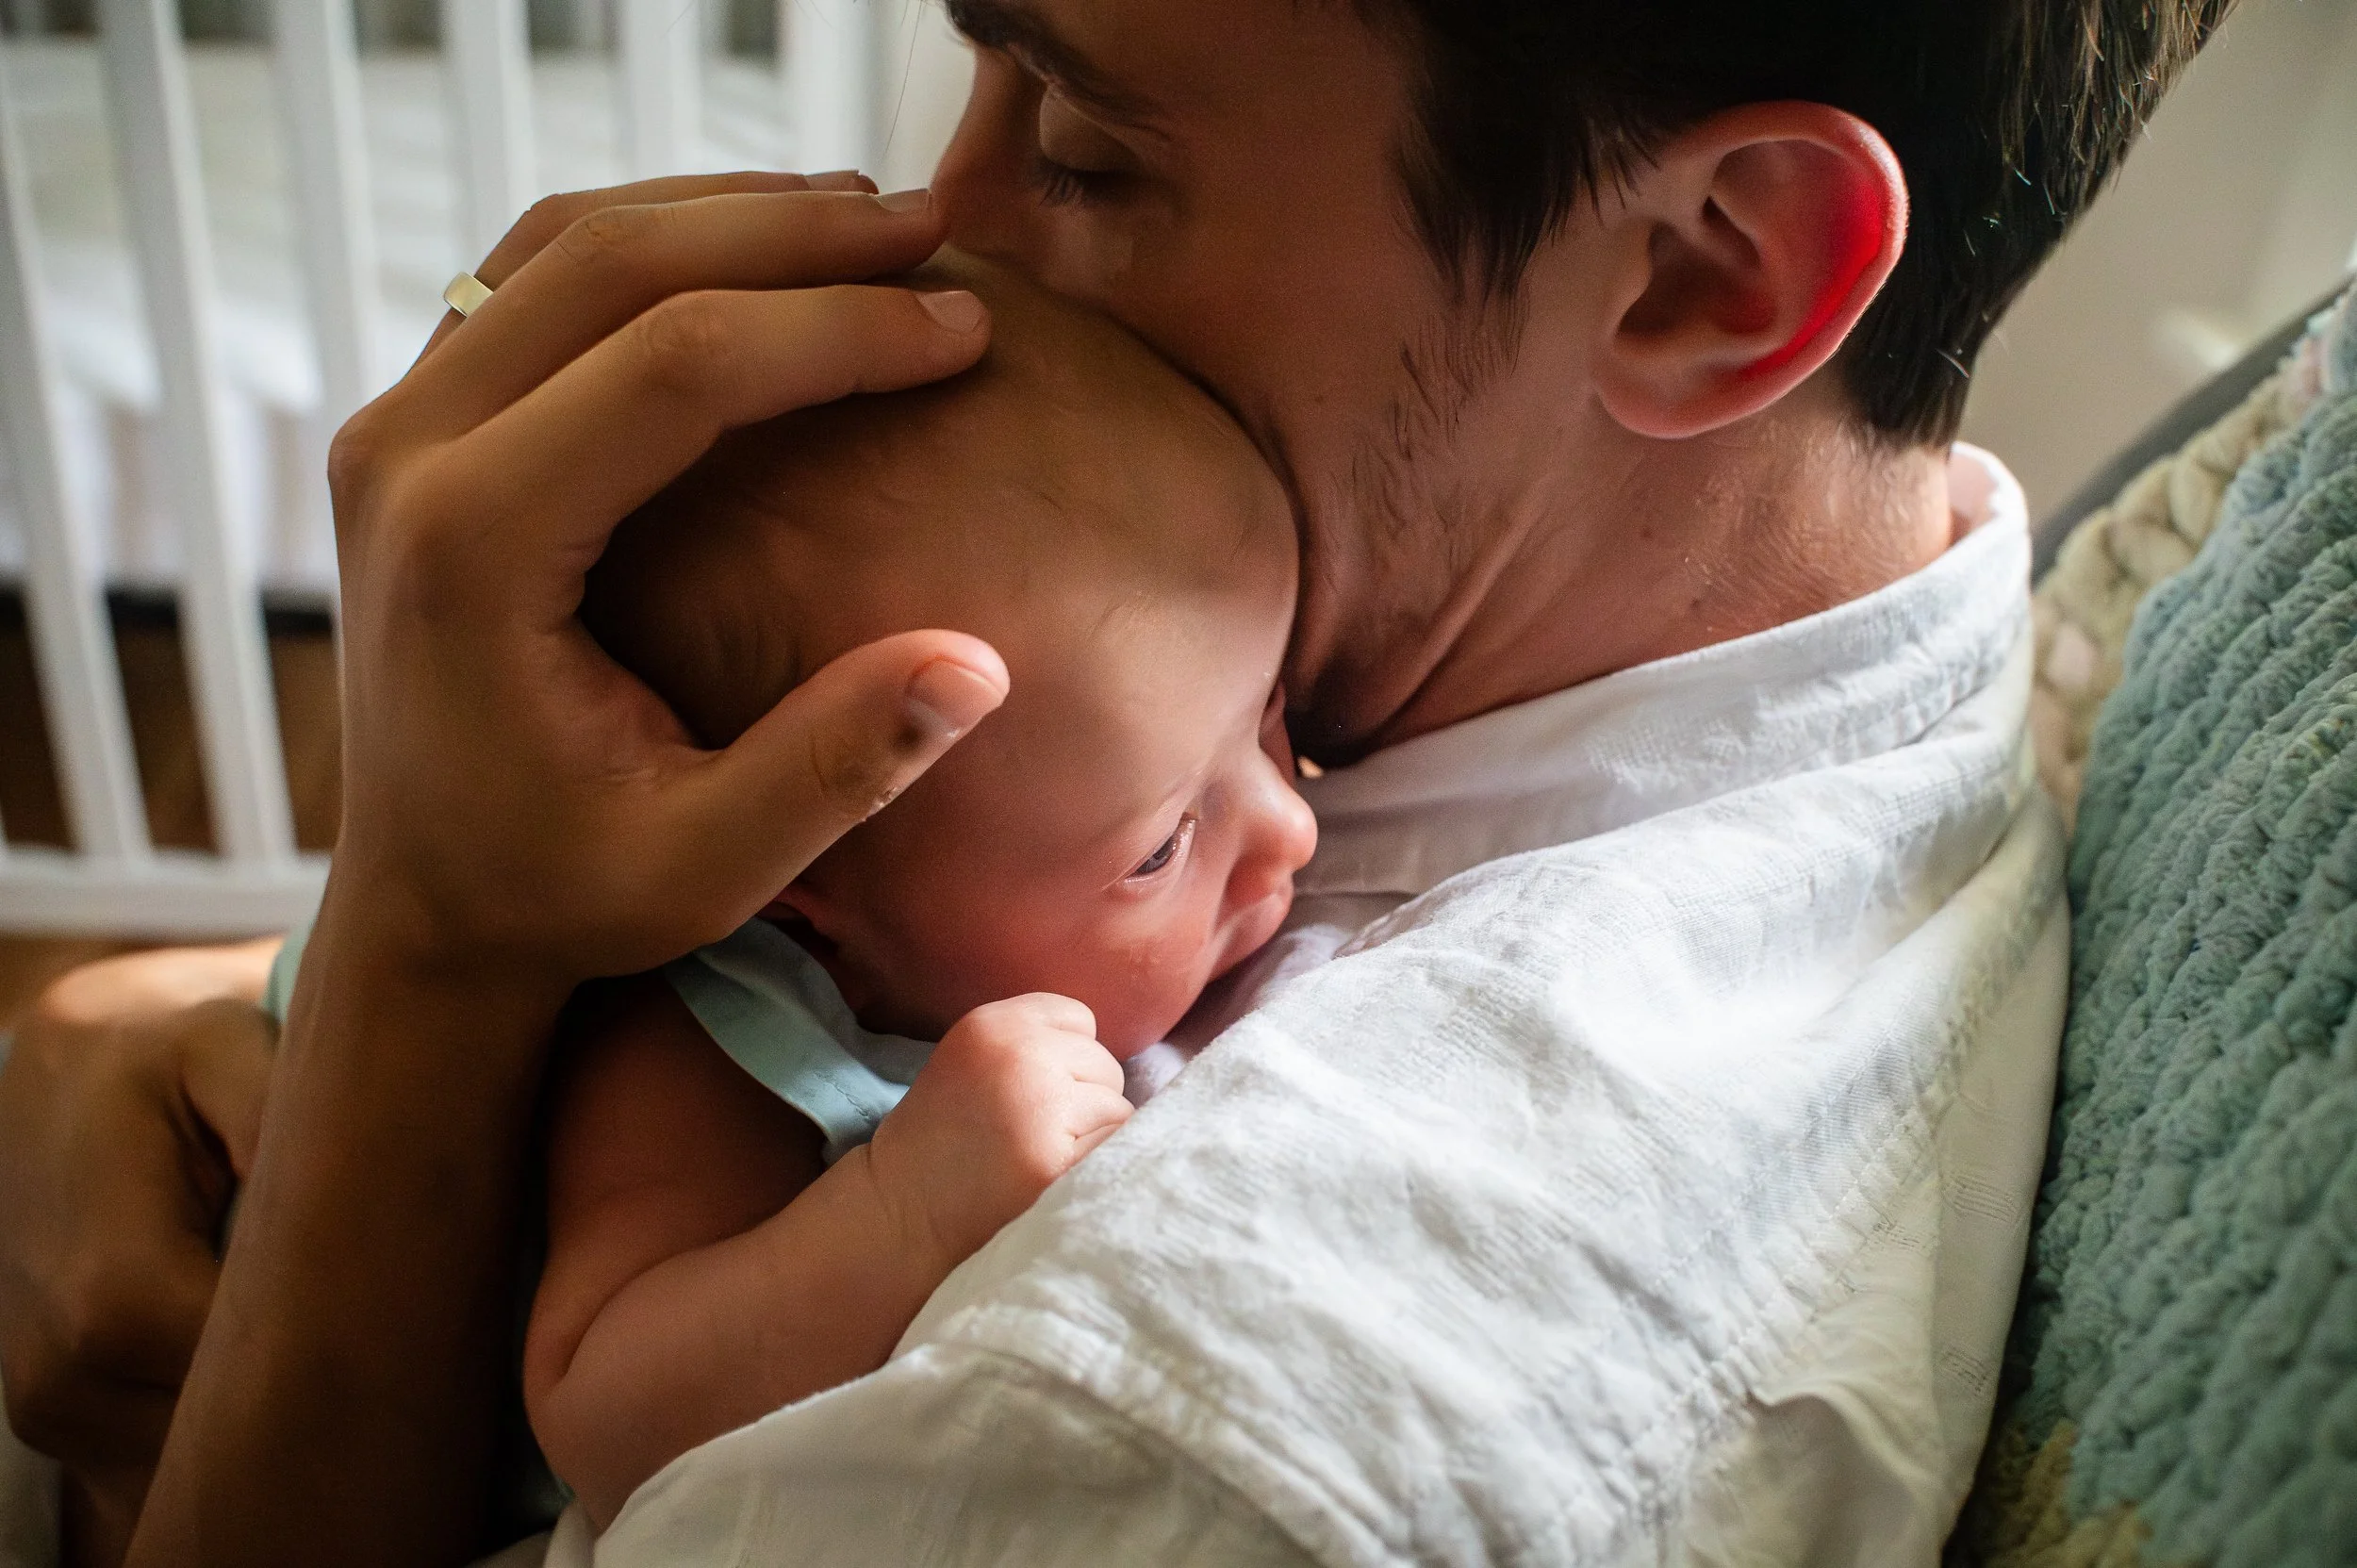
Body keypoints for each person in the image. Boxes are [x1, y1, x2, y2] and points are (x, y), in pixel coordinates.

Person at [0, 2, 2233, 1564]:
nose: (942, 225)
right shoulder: (1755, 625)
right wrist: (195, 1004)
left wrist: (420, 945)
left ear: (1707, 265)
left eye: (1082, 144)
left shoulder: (1141, 1440)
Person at [516, 256, 1310, 1527]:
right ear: (803, 907)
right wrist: (903, 1210)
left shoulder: (1074, 794)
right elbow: (593, 1413)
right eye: (1161, 847)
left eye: (1273, 721)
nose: (1293, 827)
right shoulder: (706, 1047)